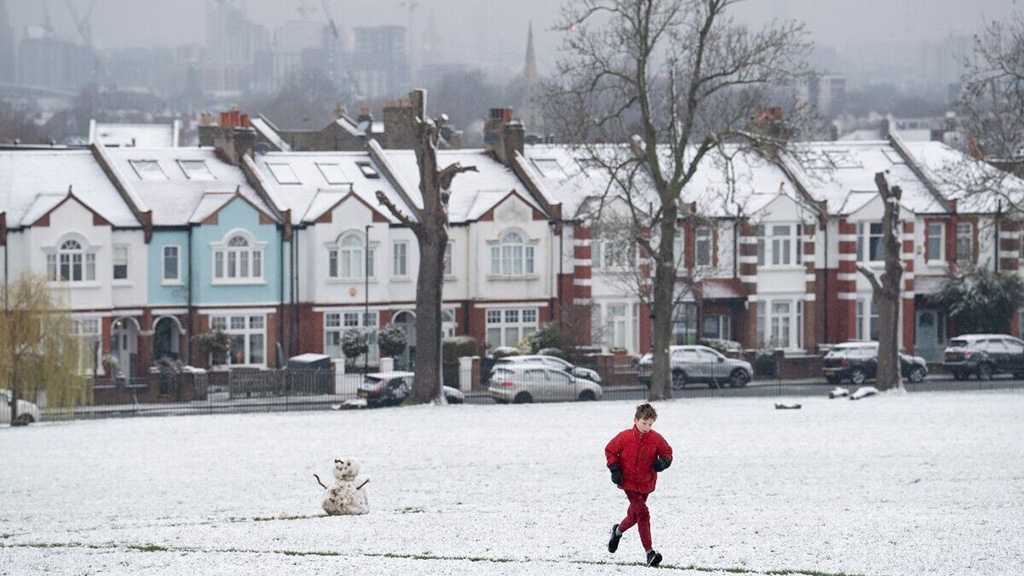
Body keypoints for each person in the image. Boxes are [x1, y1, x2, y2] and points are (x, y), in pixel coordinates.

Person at [604, 402, 673, 567]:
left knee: (634, 515)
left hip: (646, 483)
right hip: (628, 482)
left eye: (650, 424)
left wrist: (662, 463)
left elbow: (668, 453)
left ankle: (617, 531)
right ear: (635, 420)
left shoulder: (656, 438)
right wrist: (614, 470)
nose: (647, 427)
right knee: (643, 514)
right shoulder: (624, 437)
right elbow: (610, 450)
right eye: (644, 423)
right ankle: (650, 553)